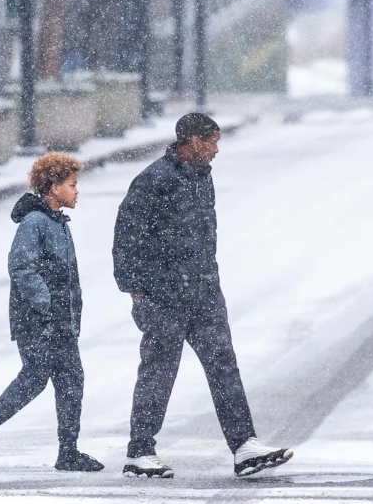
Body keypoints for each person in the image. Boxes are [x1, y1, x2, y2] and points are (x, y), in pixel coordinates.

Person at [113, 112, 292, 479]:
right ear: (193, 141)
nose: (216, 150)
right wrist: (137, 293)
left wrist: (207, 283)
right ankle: (139, 452)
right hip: (164, 297)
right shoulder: (153, 182)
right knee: (159, 373)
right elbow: (126, 238)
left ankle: (244, 446)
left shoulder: (201, 178)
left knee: (224, 367)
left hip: (204, 292)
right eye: (212, 142)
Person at [0, 153, 103, 472]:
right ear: (53, 188)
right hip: (37, 323)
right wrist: (47, 305)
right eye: (71, 185)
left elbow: (66, 276)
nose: (76, 191)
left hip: (60, 323)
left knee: (71, 380)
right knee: (35, 379)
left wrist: (69, 313)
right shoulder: (35, 223)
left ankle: (68, 452)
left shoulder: (58, 223)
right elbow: (20, 266)